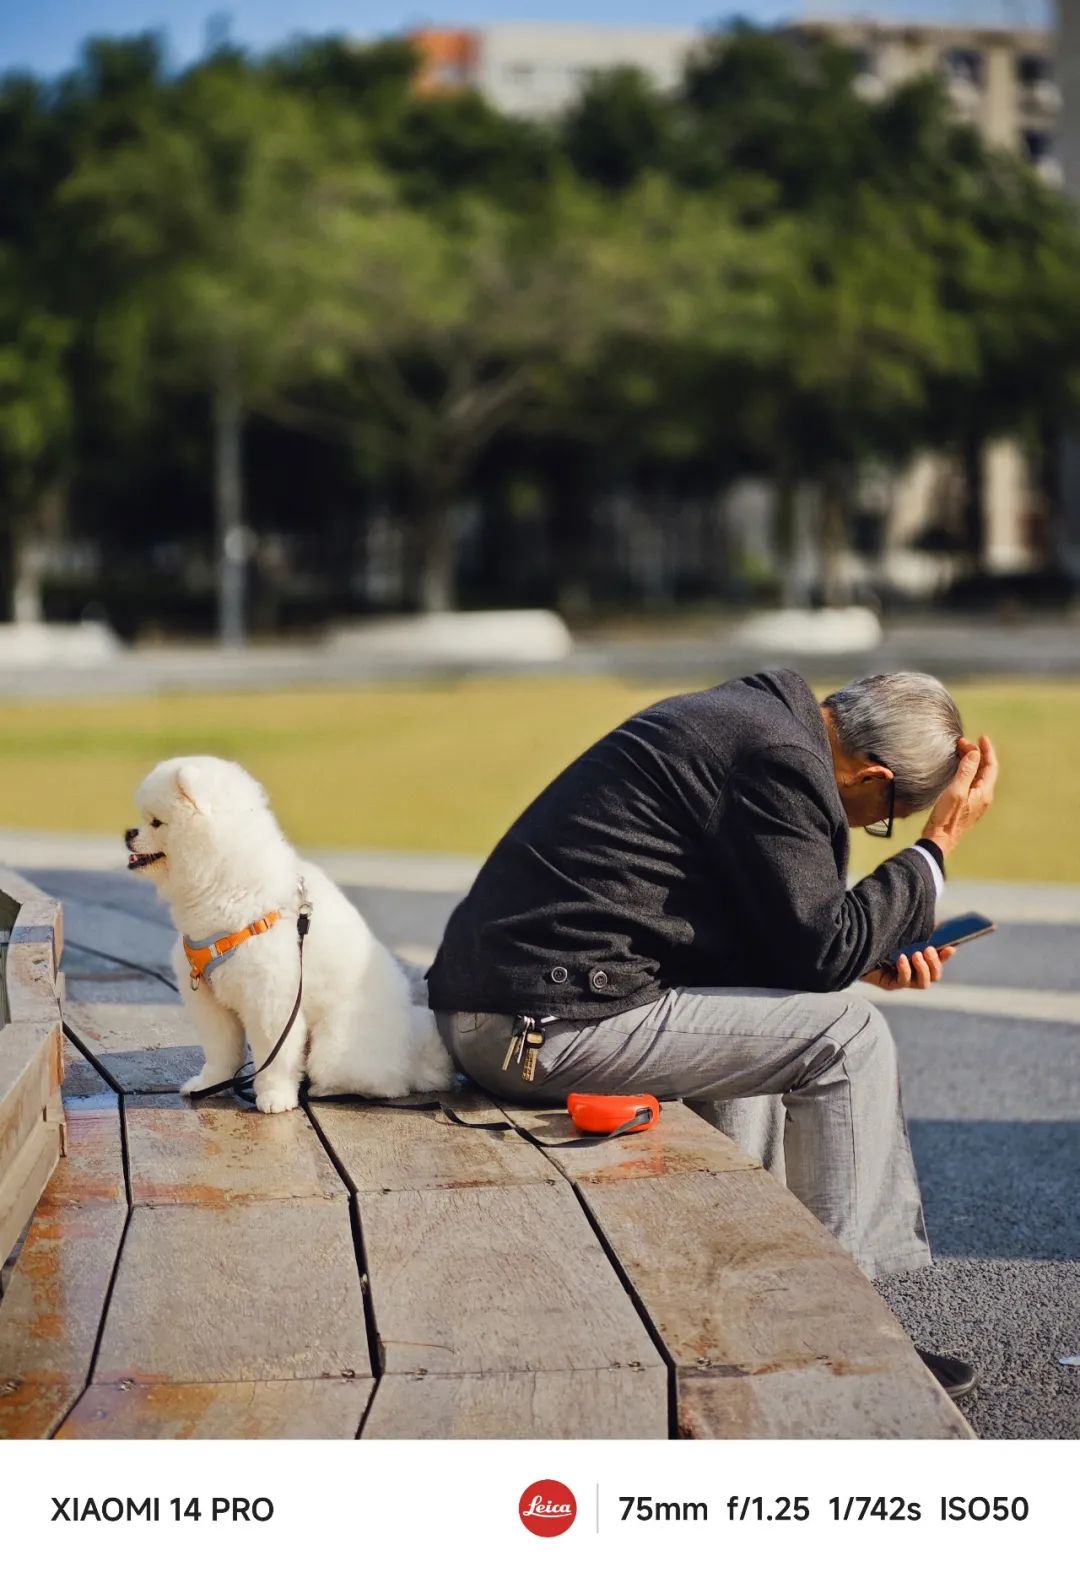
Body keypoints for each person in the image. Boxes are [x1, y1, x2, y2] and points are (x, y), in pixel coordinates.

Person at [427, 669, 998, 1399]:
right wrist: (936, 845)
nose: (864, 832)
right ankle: (844, 1340)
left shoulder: (753, 724)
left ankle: (752, 1315)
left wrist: (862, 955)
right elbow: (820, 945)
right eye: (880, 820)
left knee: (783, 1016)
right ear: (874, 776)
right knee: (848, 1037)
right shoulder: (777, 760)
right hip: (533, 1024)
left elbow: (788, 947)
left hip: (519, 1006)